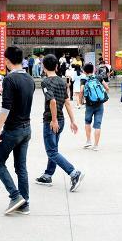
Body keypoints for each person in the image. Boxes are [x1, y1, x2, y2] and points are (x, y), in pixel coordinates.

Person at [0, 46, 35, 215]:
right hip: (26, 128)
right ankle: (25, 203)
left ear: (7, 61)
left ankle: (15, 196)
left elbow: (6, 107)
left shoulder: (10, 79)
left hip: (12, 129)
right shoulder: (30, 79)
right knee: (21, 167)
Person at [35, 54, 84, 192]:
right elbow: (67, 102)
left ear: (43, 67)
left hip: (52, 121)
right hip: (61, 120)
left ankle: (73, 173)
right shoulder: (62, 82)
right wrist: (72, 121)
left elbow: (52, 101)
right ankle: (47, 175)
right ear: (57, 66)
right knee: (54, 150)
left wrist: (53, 120)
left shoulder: (45, 82)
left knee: (51, 151)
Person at [80, 63, 109, 151]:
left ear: (84, 71)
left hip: (89, 105)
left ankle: (88, 141)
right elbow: (107, 88)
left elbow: (81, 91)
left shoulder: (84, 79)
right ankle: (96, 145)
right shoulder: (98, 77)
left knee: (87, 122)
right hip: (99, 104)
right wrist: (102, 96)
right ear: (93, 70)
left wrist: (81, 101)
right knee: (97, 125)